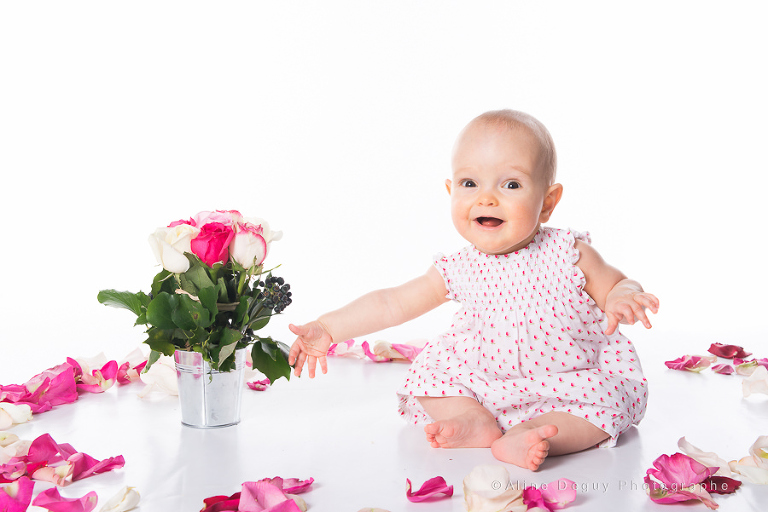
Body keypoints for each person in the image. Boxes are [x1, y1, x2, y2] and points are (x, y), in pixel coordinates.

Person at [288, 109, 659, 471]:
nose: (486, 198)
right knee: (430, 377)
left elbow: (615, 282)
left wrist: (623, 295)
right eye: (469, 184)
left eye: (510, 184)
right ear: (450, 190)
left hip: (568, 382)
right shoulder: (459, 267)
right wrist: (330, 328)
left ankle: (534, 434)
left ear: (547, 202)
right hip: (483, 380)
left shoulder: (568, 253)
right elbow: (391, 304)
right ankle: (474, 419)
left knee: (607, 401)